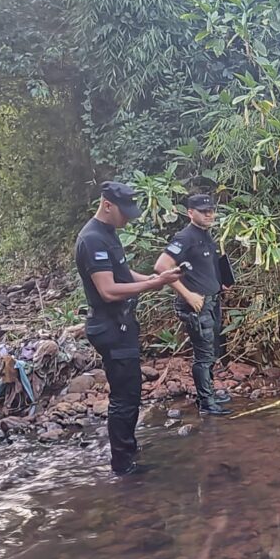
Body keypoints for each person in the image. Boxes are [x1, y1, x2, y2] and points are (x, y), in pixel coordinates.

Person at [75, 181, 183, 474]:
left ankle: (129, 448)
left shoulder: (109, 234)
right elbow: (108, 290)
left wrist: (152, 277)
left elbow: (122, 273)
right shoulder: (92, 239)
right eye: (124, 213)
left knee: (131, 391)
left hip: (122, 323)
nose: (127, 219)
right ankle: (122, 465)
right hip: (110, 326)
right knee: (125, 396)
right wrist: (152, 284)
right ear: (107, 205)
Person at [154, 194, 232, 416]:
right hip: (197, 304)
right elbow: (162, 267)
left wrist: (221, 283)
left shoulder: (206, 235)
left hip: (212, 300)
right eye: (203, 211)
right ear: (190, 213)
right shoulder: (185, 237)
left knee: (213, 349)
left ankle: (209, 392)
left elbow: (206, 265)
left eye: (211, 210)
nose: (209, 214)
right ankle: (206, 403)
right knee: (204, 354)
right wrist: (188, 295)